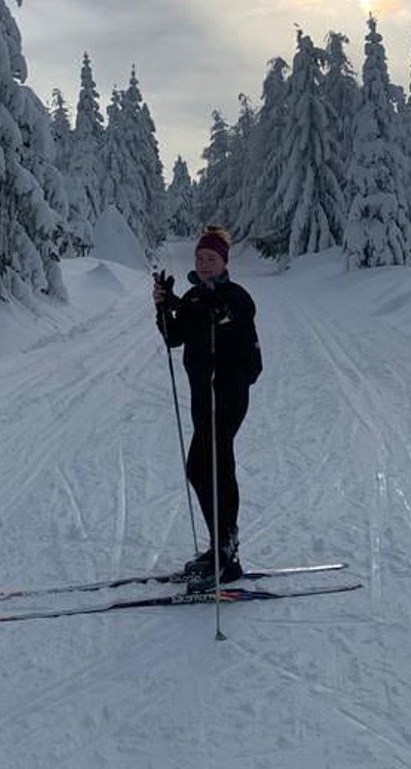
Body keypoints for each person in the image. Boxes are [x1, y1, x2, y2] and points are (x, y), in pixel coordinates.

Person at [153, 226, 262, 591]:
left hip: (227, 394)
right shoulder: (194, 297)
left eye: (211, 259)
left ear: (224, 262)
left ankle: (226, 552)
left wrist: (222, 312)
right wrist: (165, 305)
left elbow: (240, 315)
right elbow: (174, 337)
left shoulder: (235, 296)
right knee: (201, 468)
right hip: (203, 397)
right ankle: (221, 548)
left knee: (211, 464)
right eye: (200, 258)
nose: (203, 264)